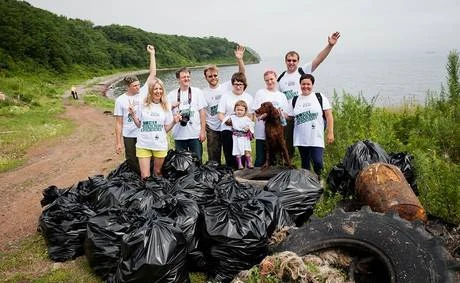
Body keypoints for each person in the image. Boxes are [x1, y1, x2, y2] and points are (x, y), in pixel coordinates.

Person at [278, 31, 340, 159]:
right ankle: (289, 169)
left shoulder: (303, 71)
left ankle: (314, 172)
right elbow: (278, 98)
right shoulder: (281, 78)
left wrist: (330, 46)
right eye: (289, 60)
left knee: (311, 147)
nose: (291, 63)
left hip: (306, 114)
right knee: (287, 146)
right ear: (285, 61)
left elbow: (318, 59)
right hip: (289, 116)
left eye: (294, 60)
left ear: (298, 61)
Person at [114, 44, 157, 174]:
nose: (138, 87)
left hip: (144, 132)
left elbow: (153, 73)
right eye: (134, 86)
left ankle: (148, 178)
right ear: (127, 87)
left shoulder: (143, 92)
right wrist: (118, 143)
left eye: (138, 84)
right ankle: (138, 180)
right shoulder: (120, 100)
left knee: (148, 157)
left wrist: (152, 54)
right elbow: (118, 123)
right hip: (129, 135)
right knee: (132, 160)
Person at [202, 45, 246, 164]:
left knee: (230, 156)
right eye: (210, 76)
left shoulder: (226, 86)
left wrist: (239, 59)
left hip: (227, 127)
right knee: (214, 159)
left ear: (218, 75)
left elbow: (241, 75)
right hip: (212, 129)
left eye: (215, 75)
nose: (213, 78)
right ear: (205, 77)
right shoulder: (203, 93)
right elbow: (201, 112)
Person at [128, 78, 179, 179]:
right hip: (143, 144)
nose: (158, 91)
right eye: (155, 89)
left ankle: (157, 193)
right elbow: (139, 125)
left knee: (157, 172)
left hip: (159, 144)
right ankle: (146, 194)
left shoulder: (166, 106)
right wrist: (133, 115)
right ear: (151, 90)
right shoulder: (143, 104)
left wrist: (174, 121)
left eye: (160, 89)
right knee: (145, 176)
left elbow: (165, 129)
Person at [293, 74, 334, 178]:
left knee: (317, 161)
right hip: (301, 138)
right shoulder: (295, 99)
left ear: (312, 85)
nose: (305, 86)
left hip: (316, 137)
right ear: (300, 85)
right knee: (305, 164)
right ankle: (308, 186)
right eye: (303, 84)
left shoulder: (319, 97)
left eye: (308, 84)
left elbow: (329, 116)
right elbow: (289, 116)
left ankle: (320, 180)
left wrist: (330, 132)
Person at [252, 70, 292, 167]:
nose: (269, 82)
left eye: (271, 79)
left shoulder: (281, 96)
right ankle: (257, 181)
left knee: (277, 162)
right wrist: (265, 115)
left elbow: (286, 115)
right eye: (267, 80)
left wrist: (279, 113)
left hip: (277, 134)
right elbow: (256, 113)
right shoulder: (260, 93)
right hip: (262, 133)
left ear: (276, 79)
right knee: (260, 159)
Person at [167, 67, 208, 163]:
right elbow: (165, 113)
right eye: (183, 77)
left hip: (195, 134)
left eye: (188, 76)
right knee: (182, 163)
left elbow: (202, 113)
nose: (186, 79)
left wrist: (203, 131)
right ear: (178, 79)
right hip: (179, 135)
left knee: (197, 161)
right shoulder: (171, 95)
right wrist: (172, 107)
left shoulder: (197, 92)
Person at [217, 72, 253, 168]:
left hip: (243, 131)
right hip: (228, 129)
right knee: (230, 154)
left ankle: (243, 172)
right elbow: (220, 114)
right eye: (236, 84)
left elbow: (251, 115)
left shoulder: (248, 97)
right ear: (232, 84)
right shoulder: (226, 96)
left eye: (240, 84)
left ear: (244, 85)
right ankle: (231, 171)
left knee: (244, 153)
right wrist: (228, 121)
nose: (238, 87)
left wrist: (247, 126)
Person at [226, 100, 254, 169]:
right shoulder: (233, 117)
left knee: (246, 150)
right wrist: (228, 120)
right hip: (236, 137)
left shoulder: (246, 118)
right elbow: (225, 120)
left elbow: (252, 124)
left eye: (241, 110)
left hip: (244, 137)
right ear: (235, 110)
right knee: (237, 151)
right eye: (238, 110)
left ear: (245, 111)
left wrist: (248, 127)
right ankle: (240, 164)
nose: (239, 111)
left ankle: (249, 163)